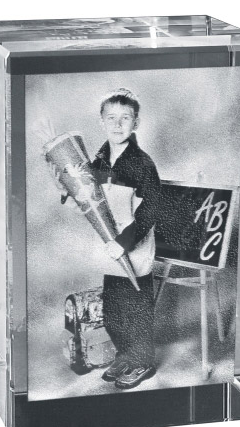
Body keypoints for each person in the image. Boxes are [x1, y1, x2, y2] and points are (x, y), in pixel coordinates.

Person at [56, 88, 162, 389]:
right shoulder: (98, 161)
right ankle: (126, 354)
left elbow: (151, 208)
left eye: (125, 118)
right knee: (114, 311)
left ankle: (143, 361)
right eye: (111, 118)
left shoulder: (142, 163)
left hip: (132, 245)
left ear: (136, 123)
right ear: (101, 121)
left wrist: (124, 242)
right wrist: (69, 189)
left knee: (136, 310)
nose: (117, 124)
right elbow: (88, 193)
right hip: (109, 247)